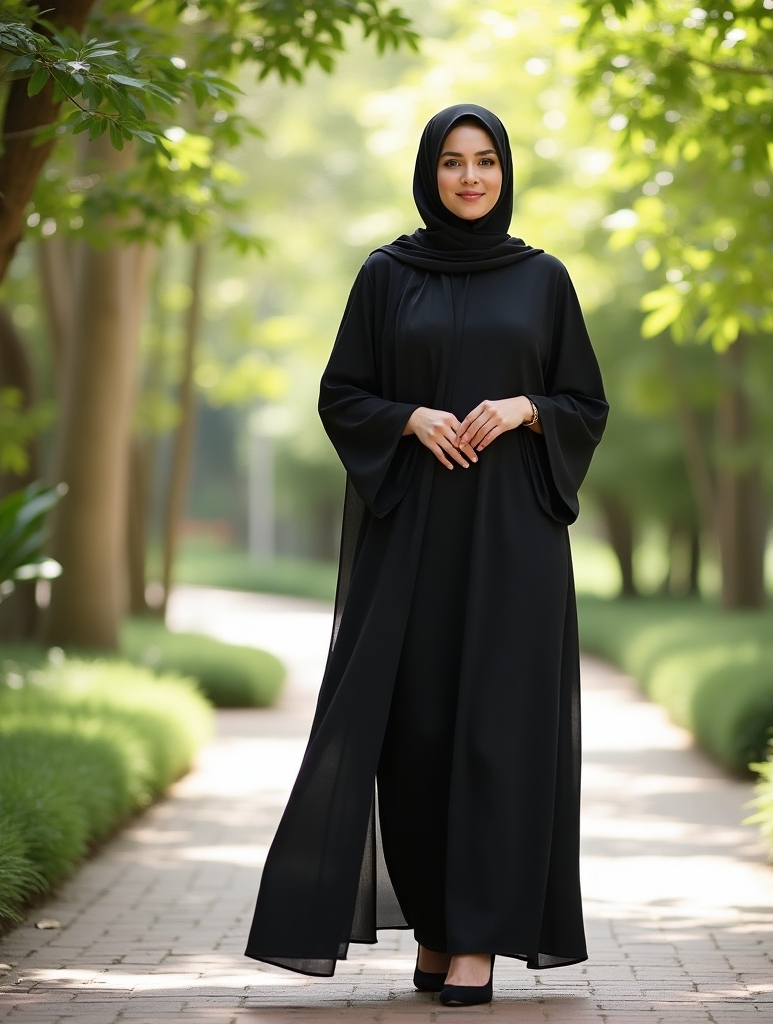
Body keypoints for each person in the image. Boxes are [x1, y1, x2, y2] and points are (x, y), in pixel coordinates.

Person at [245, 103, 608, 1007]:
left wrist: (528, 410)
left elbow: (586, 405)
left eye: (485, 161)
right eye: (453, 162)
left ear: (505, 172)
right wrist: (407, 417)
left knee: (498, 731)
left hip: (514, 544)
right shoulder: (386, 276)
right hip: (410, 540)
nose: (471, 177)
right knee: (413, 734)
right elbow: (342, 395)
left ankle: (479, 940)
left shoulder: (544, 280)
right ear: (429, 172)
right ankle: (439, 929)